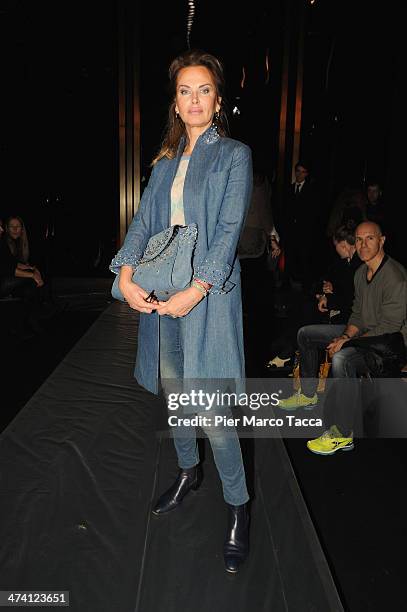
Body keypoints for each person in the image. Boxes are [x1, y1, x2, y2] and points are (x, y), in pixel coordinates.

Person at [110, 50, 252, 573]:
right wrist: (124, 275)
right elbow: (144, 224)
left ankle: (238, 505)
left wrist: (196, 289)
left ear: (217, 101)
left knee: (212, 410)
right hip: (160, 296)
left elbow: (229, 231)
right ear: (176, 103)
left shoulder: (234, 155)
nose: (195, 99)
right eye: (185, 91)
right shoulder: (164, 162)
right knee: (175, 394)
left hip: (207, 298)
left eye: (204, 90)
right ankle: (189, 472)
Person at [279, 221, 407, 455]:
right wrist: (347, 334)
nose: (363, 244)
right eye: (358, 239)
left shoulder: (395, 278)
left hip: (388, 346)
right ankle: (308, 395)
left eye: (370, 238)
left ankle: (342, 433)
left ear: (382, 240)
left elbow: (389, 328)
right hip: (363, 335)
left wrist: (346, 342)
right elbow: (357, 313)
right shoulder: (360, 273)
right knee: (306, 334)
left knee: (342, 359)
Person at [266, 224, 361, 368]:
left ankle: (289, 351)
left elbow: (350, 297)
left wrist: (328, 297)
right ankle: (287, 345)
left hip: (347, 314)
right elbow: (327, 279)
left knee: (308, 311)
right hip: (335, 303)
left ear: (343, 245)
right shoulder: (343, 262)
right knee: (302, 303)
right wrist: (324, 291)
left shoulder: (358, 265)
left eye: (336, 245)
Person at [281, 160, 319, 291]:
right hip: (290, 232)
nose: (300, 174)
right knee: (289, 258)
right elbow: (284, 211)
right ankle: (285, 283)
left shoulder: (312, 191)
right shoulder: (289, 189)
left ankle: (306, 285)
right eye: (298, 171)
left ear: (306, 174)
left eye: (303, 172)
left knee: (304, 259)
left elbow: (313, 214)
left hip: (304, 233)